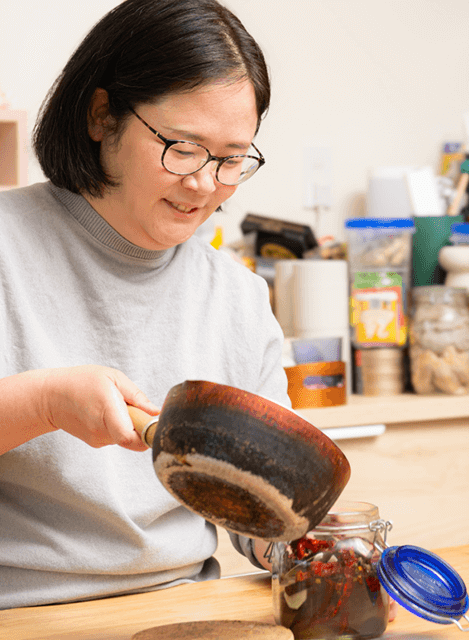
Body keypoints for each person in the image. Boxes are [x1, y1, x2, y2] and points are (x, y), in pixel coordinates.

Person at [0, 0, 285, 609]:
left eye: (233, 158)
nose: (206, 184)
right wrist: (45, 402)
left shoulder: (237, 296)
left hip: (187, 611)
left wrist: (289, 534)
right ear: (102, 116)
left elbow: (261, 509)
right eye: (183, 148)